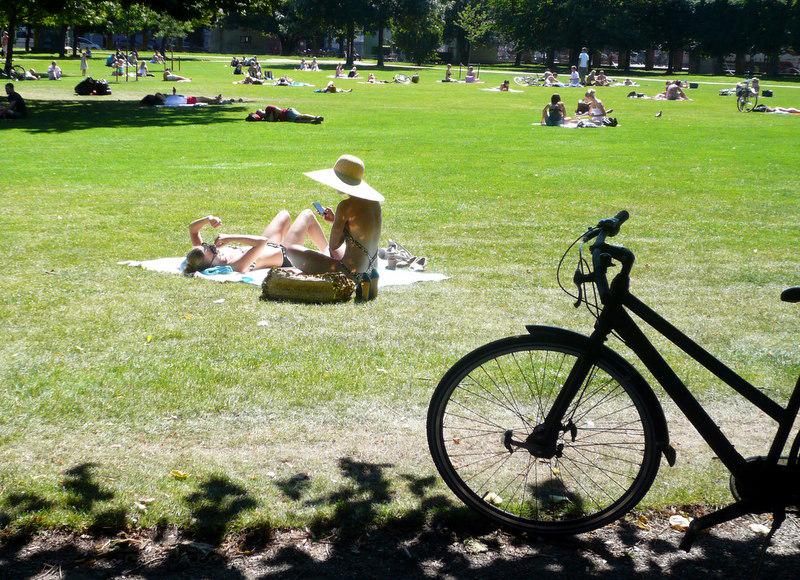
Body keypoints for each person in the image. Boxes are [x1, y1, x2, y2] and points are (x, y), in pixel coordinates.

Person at [286, 154, 383, 300]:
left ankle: (357, 283)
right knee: (333, 254)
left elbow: (334, 245)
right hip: (371, 269)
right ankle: (368, 284)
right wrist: (337, 221)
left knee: (290, 249)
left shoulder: (346, 206)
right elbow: (359, 232)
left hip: (349, 272)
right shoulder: (375, 204)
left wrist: (338, 221)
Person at [182, 211, 327, 274]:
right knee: (307, 215)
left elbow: (192, 230)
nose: (213, 247)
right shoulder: (234, 266)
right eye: (212, 251)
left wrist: (208, 219)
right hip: (287, 254)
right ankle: (331, 254)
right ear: (209, 264)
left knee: (284, 215)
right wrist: (230, 238)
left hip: (272, 245)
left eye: (207, 245)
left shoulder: (202, 254)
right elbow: (261, 242)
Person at [245, 105, 323, 123]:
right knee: (299, 121)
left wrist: (272, 114)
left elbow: (279, 110)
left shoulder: (269, 108)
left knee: (300, 116)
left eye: (260, 113)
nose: (261, 115)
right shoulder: (266, 118)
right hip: (285, 118)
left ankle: (316, 117)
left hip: (288, 112)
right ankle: (313, 122)